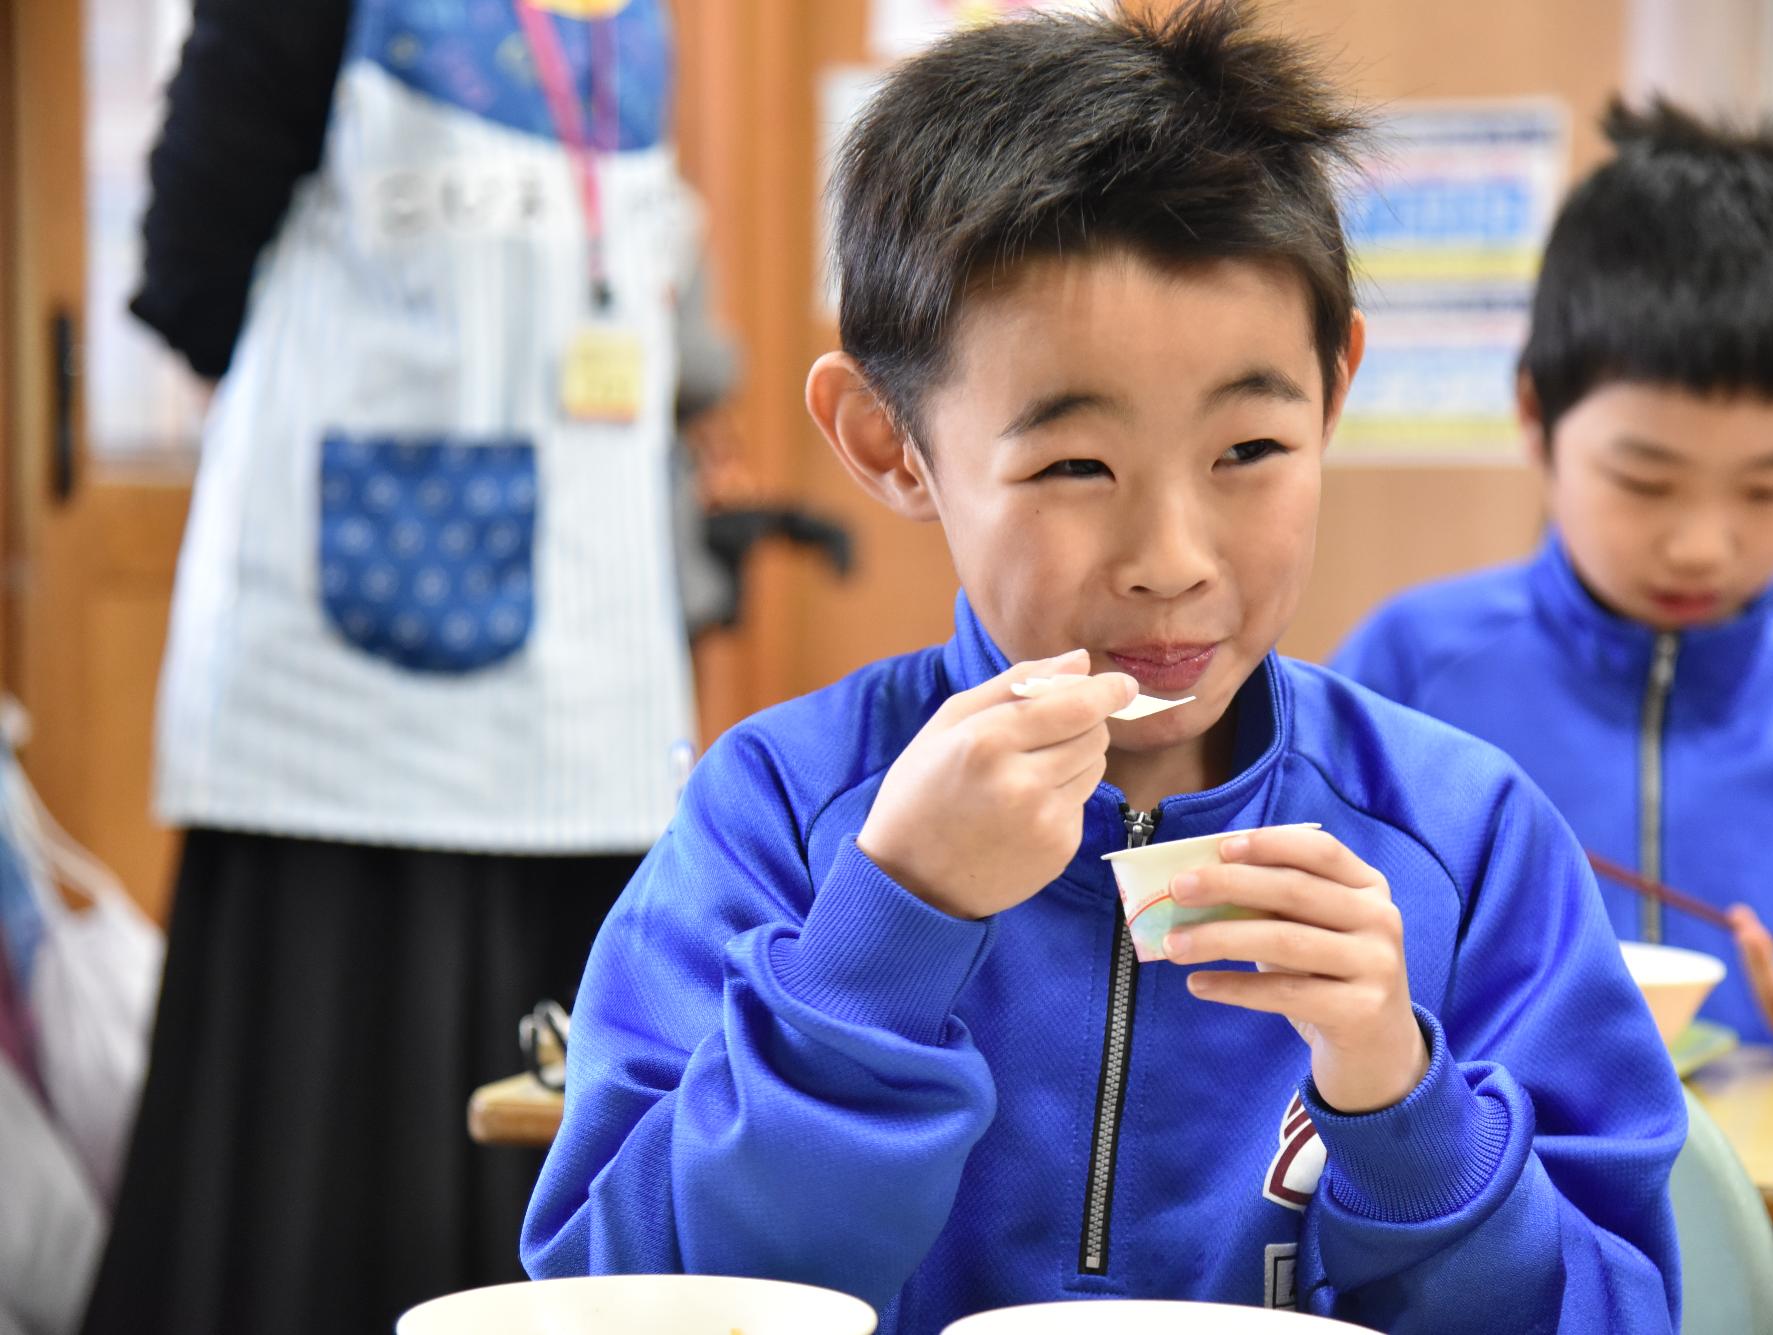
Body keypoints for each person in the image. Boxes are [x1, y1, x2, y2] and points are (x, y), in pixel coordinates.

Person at [523, 6, 1685, 1331]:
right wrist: (884, 934)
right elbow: (615, 1298)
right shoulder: (784, 814)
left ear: (1334, 386)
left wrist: (1401, 1099)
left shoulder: (1464, 843)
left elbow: (1617, 1304)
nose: (1171, 559)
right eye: (1076, 465)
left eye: (1249, 450)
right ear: (891, 441)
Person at [84, 1, 700, 1331]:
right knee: (325, 1080)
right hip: (346, 655)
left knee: (569, 1047)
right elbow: (188, 267)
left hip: (588, 634)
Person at [1334, 100, 1773, 1065]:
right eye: (1644, 479)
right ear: (1536, 417)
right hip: (1476, 1202)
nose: (1701, 546)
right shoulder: (1411, 673)